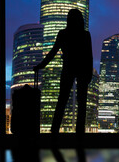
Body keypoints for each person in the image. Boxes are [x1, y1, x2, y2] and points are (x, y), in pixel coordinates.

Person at [34, 9, 93, 142]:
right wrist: (89, 74)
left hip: (68, 69)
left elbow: (53, 52)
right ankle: (79, 135)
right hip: (82, 70)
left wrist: (41, 65)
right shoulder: (85, 35)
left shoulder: (63, 34)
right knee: (81, 104)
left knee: (62, 101)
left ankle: (54, 131)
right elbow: (89, 56)